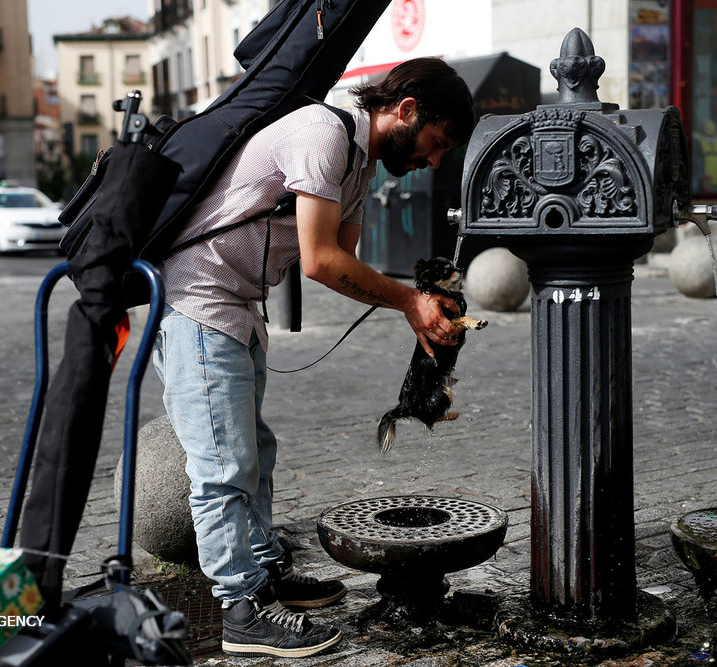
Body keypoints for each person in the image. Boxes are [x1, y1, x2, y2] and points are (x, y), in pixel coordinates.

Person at [153, 57, 475, 658]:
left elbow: (341, 260)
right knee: (222, 463)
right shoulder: (324, 133)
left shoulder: (358, 161)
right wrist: (408, 301)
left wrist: (417, 301)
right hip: (197, 299)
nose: (434, 162)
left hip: (237, 305)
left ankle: (265, 575)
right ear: (405, 111)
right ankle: (239, 611)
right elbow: (319, 260)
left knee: (254, 449)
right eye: (435, 144)